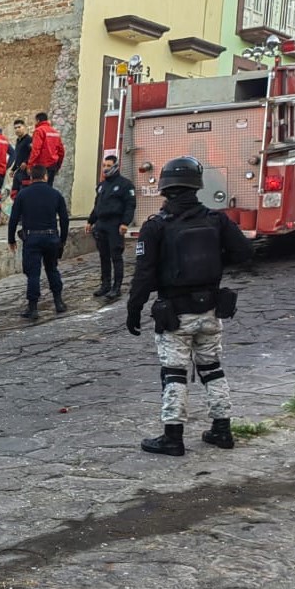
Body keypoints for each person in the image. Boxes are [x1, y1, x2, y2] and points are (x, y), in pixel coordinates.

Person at [125, 156, 252, 457]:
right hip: (210, 310)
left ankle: (173, 436)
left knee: (174, 373)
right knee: (212, 368)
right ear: (197, 186)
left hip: (175, 315)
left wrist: (134, 308)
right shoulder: (216, 220)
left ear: (166, 188)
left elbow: (144, 274)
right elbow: (245, 253)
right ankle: (222, 429)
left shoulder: (156, 226)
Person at [7, 164, 69, 320]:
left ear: (31, 177)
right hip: (51, 238)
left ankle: (33, 308)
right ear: (46, 176)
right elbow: (64, 219)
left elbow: (13, 218)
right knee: (52, 269)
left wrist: (11, 238)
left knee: (33, 274)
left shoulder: (23, 194)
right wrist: (62, 240)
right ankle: (59, 302)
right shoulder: (56, 194)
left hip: (32, 238)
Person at [86, 153, 136, 301]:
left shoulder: (125, 185)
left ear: (115, 166)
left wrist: (125, 223)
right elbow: (97, 206)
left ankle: (117, 287)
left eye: (109, 166)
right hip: (101, 224)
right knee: (103, 256)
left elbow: (130, 206)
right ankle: (105, 284)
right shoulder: (101, 186)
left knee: (116, 256)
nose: (106, 169)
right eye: (104, 166)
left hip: (115, 225)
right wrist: (90, 221)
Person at [26, 112, 65, 187]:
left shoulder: (39, 131)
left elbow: (36, 150)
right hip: (52, 166)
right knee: (49, 189)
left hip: (41, 167)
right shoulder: (55, 132)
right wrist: (58, 166)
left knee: (39, 190)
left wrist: (30, 165)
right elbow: (61, 152)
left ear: (37, 120)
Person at [9, 118, 32, 204]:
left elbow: (33, 153)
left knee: (25, 195)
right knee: (15, 195)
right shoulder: (18, 141)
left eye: (19, 127)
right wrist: (13, 169)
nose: (17, 129)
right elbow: (18, 157)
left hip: (26, 172)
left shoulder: (29, 139)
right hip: (18, 172)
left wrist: (26, 162)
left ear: (24, 127)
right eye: (15, 128)